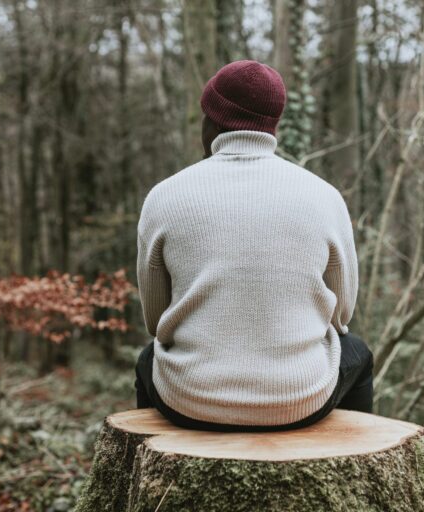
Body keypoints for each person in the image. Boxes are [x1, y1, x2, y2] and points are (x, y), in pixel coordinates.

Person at [134, 60, 373, 432]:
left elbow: (155, 320)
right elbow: (342, 316)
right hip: (300, 399)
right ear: (273, 125)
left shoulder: (164, 197)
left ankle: (149, 480)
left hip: (189, 399)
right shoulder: (324, 197)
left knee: (147, 359)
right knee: (358, 353)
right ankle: (358, 467)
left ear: (212, 121)